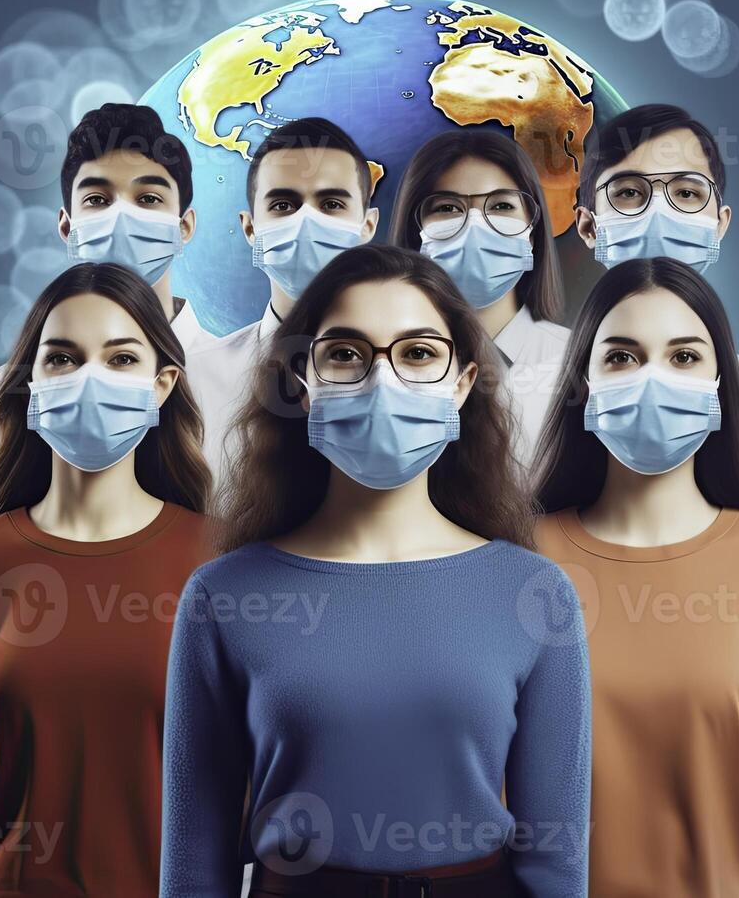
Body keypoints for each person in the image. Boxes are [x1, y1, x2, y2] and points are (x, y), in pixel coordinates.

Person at [160, 245, 591, 898]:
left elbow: (557, 864)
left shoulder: (536, 595)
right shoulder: (224, 599)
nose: (381, 380)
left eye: (418, 353)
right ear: (301, 382)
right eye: (346, 354)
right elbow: (194, 864)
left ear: (463, 381)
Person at [531, 257, 739, 898]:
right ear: (581, 385)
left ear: (720, 383)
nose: (652, 381)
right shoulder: (514, 567)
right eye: (621, 357)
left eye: (685, 357)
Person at [0, 263, 215, 898]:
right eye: (62, 359)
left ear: (163, 384)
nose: (89, 380)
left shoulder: (223, 566)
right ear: (29, 383)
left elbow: (242, 783)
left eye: (121, 357)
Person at [0, 103, 221, 533]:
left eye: (148, 198)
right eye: (97, 199)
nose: (122, 216)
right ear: (67, 225)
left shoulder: (245, 380)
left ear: (184, 225)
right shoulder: (4, 397)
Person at [574, 103, 739, 552]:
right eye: (629, 193)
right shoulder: (522, 395)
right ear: (589, 226)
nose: (658, 212)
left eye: (687, 193)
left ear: (720, 224)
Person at [197, 117, 380, 487]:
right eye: (283, 204)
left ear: (367, 225)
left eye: (331, 203)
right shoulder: (196, 379)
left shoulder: (414, 374)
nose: (306, 220)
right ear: (250, 228)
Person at [389, 130, 568, 470]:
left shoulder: (578, 361)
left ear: (532, 231)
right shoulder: (379, 366)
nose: (475, 225)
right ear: (417, 235)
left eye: (501, 205)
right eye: (447, 208)